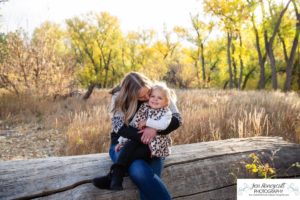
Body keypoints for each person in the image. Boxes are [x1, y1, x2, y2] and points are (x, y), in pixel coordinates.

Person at [92, 72, 182, 200]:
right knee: (139, 170)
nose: (147, 97)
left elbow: (177, 120)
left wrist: (154, 130)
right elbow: (119, 127)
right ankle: (115, 174)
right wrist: (144, 137)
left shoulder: (159, 92)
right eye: (141, 97)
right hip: (122, 145)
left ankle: (114, 175)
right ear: (131, 95)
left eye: (148, 93)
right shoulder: (118, 96)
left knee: (143, 175)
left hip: (155, 145)